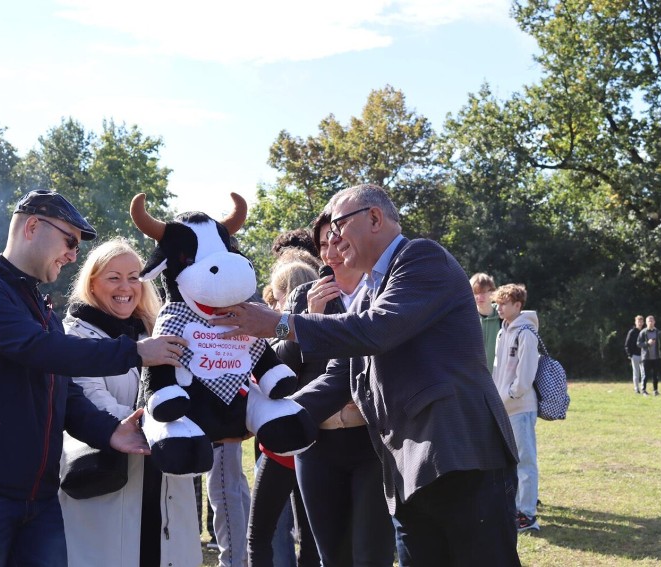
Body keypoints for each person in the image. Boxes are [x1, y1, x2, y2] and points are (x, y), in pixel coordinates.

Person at [213, 184, 520, 566]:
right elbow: (339, 378)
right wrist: (253, 418)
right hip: (408, 478)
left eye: (339, 226)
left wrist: (278, 324)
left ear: (374, 218)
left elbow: (378, 329)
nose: (333, 240)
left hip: (460, 460)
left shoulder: (421, 257)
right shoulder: (367, 294)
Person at [0, 189, 188, 565]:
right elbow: (40, 350)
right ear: (32, 226)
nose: (73, 254)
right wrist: (136, 351)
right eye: (69, 240)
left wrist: (110, 431)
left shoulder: (40, 308)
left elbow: (61, 387)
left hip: (35, 498)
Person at [57, 238, 201, 566]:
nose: (126, 286)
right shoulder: (73, 337)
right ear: (91, 282)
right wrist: (170, 424)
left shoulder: (155, 331)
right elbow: (92, 402)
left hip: (163, 484)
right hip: (105, 486)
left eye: (134, 276)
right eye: (114, 277)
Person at [276, 211, 395, 567]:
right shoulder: (302, 295)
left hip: (371, 442)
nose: (331, 253)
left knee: (371, 553)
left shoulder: (381, 290)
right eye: (324, 244)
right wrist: (308, 321)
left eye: (338, 242)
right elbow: (278, 357)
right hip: (317, 445)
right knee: (332, 554)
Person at [249, 258, 320, 567]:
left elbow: (276, 373)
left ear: (286, 294)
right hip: (319, 444)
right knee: (310, 535)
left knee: (261, 536)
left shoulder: (290, 331)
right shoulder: (330, 325)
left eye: (275, 299)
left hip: (285, 448)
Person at [491, 284, 541, 533]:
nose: (498, 307)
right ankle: (513, 508)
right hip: (503, 407)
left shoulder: (526, 333)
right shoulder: (503, 331)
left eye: (503, 303)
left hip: (520, 407)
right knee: (507, 462)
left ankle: (527, 514)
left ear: (517, 305)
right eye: (497, 303)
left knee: (525, 461)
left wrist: (509, 395)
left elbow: (524, 376)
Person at [469, 273, 500, 373]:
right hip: (474, 383)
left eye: (483, 292)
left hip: (500, 383)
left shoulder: (504, 318)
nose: (479, 296)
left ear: (492, 292)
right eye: (475, 292)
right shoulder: (466, 319)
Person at [637, 315, 661, 396]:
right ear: (646, 322)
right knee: (645, 375)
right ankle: (644, 390)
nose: (651, 322)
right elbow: (638, 343)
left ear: (654, 322)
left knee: (656, 375)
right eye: (649, 321)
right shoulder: (643, 332)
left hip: (656, 357)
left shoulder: (657, 332)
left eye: (652, 321)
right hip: (646, 357)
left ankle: (655, 390)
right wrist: (647, 343)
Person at [624, 315, 645, 394]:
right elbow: (627, 344)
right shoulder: (632, 332)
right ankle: (636, 388)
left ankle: (643, 388)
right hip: (635, 355)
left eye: (641, 321)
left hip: (643, 355)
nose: (639, 323)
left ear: (643, 323)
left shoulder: (644, 331)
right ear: (635, 322)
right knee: (636, 373)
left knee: (644, 373)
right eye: (638, 321)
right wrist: (630, 355)